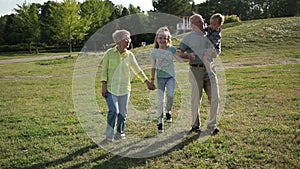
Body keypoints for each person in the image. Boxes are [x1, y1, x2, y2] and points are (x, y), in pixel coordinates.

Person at [101, 29, 155, 142]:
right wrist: (103, 86)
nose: (129, 41)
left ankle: (120, 133)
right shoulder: (109, 54)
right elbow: (104, 71)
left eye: (129, 38)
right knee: (113, 111)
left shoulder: (130, 55)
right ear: (119, 41)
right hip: (111, 89)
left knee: (122, 113)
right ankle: (109, 135)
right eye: (127, 38)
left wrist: (146, 82)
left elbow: (137, 70)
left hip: (125, 89)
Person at [179, 14, 220, 135]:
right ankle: (195, 125)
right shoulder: (187, 38)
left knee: (215, 97)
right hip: (195, 69)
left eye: (203, 21)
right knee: (196, 99)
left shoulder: (210, 34)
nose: (203, 24)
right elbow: (179, 53)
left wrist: (214, 53)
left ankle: (212, 125)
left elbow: (217, 50)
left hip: (210, 69)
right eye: (199, 22)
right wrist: (188, 56)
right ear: (192, 25)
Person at [150, 26, 192, 133]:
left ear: (168, 39)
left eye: (165, 38)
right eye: (160, 38)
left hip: (170, 77)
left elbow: (179, 59)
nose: (162, 40)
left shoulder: (171, 49)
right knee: (160, 101)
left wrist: (191, 58)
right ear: (157, 39)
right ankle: (160, 122)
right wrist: (152, 79)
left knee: (171, 95)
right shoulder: (154, 52)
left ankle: (168, 111)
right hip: (160, 78)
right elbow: (153, 67)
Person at [202, 13, 225, 80]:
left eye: (214, 24)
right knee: (207, 59)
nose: (211, 26)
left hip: (215, 48)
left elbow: (214, 43)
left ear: (219, 25)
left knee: (205, 58)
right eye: (211, 23)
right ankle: (209, 71)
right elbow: (204, 29)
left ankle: (210, 73)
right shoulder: (210, 28)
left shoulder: (217, 34)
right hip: (209, 47)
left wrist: (209, 49)